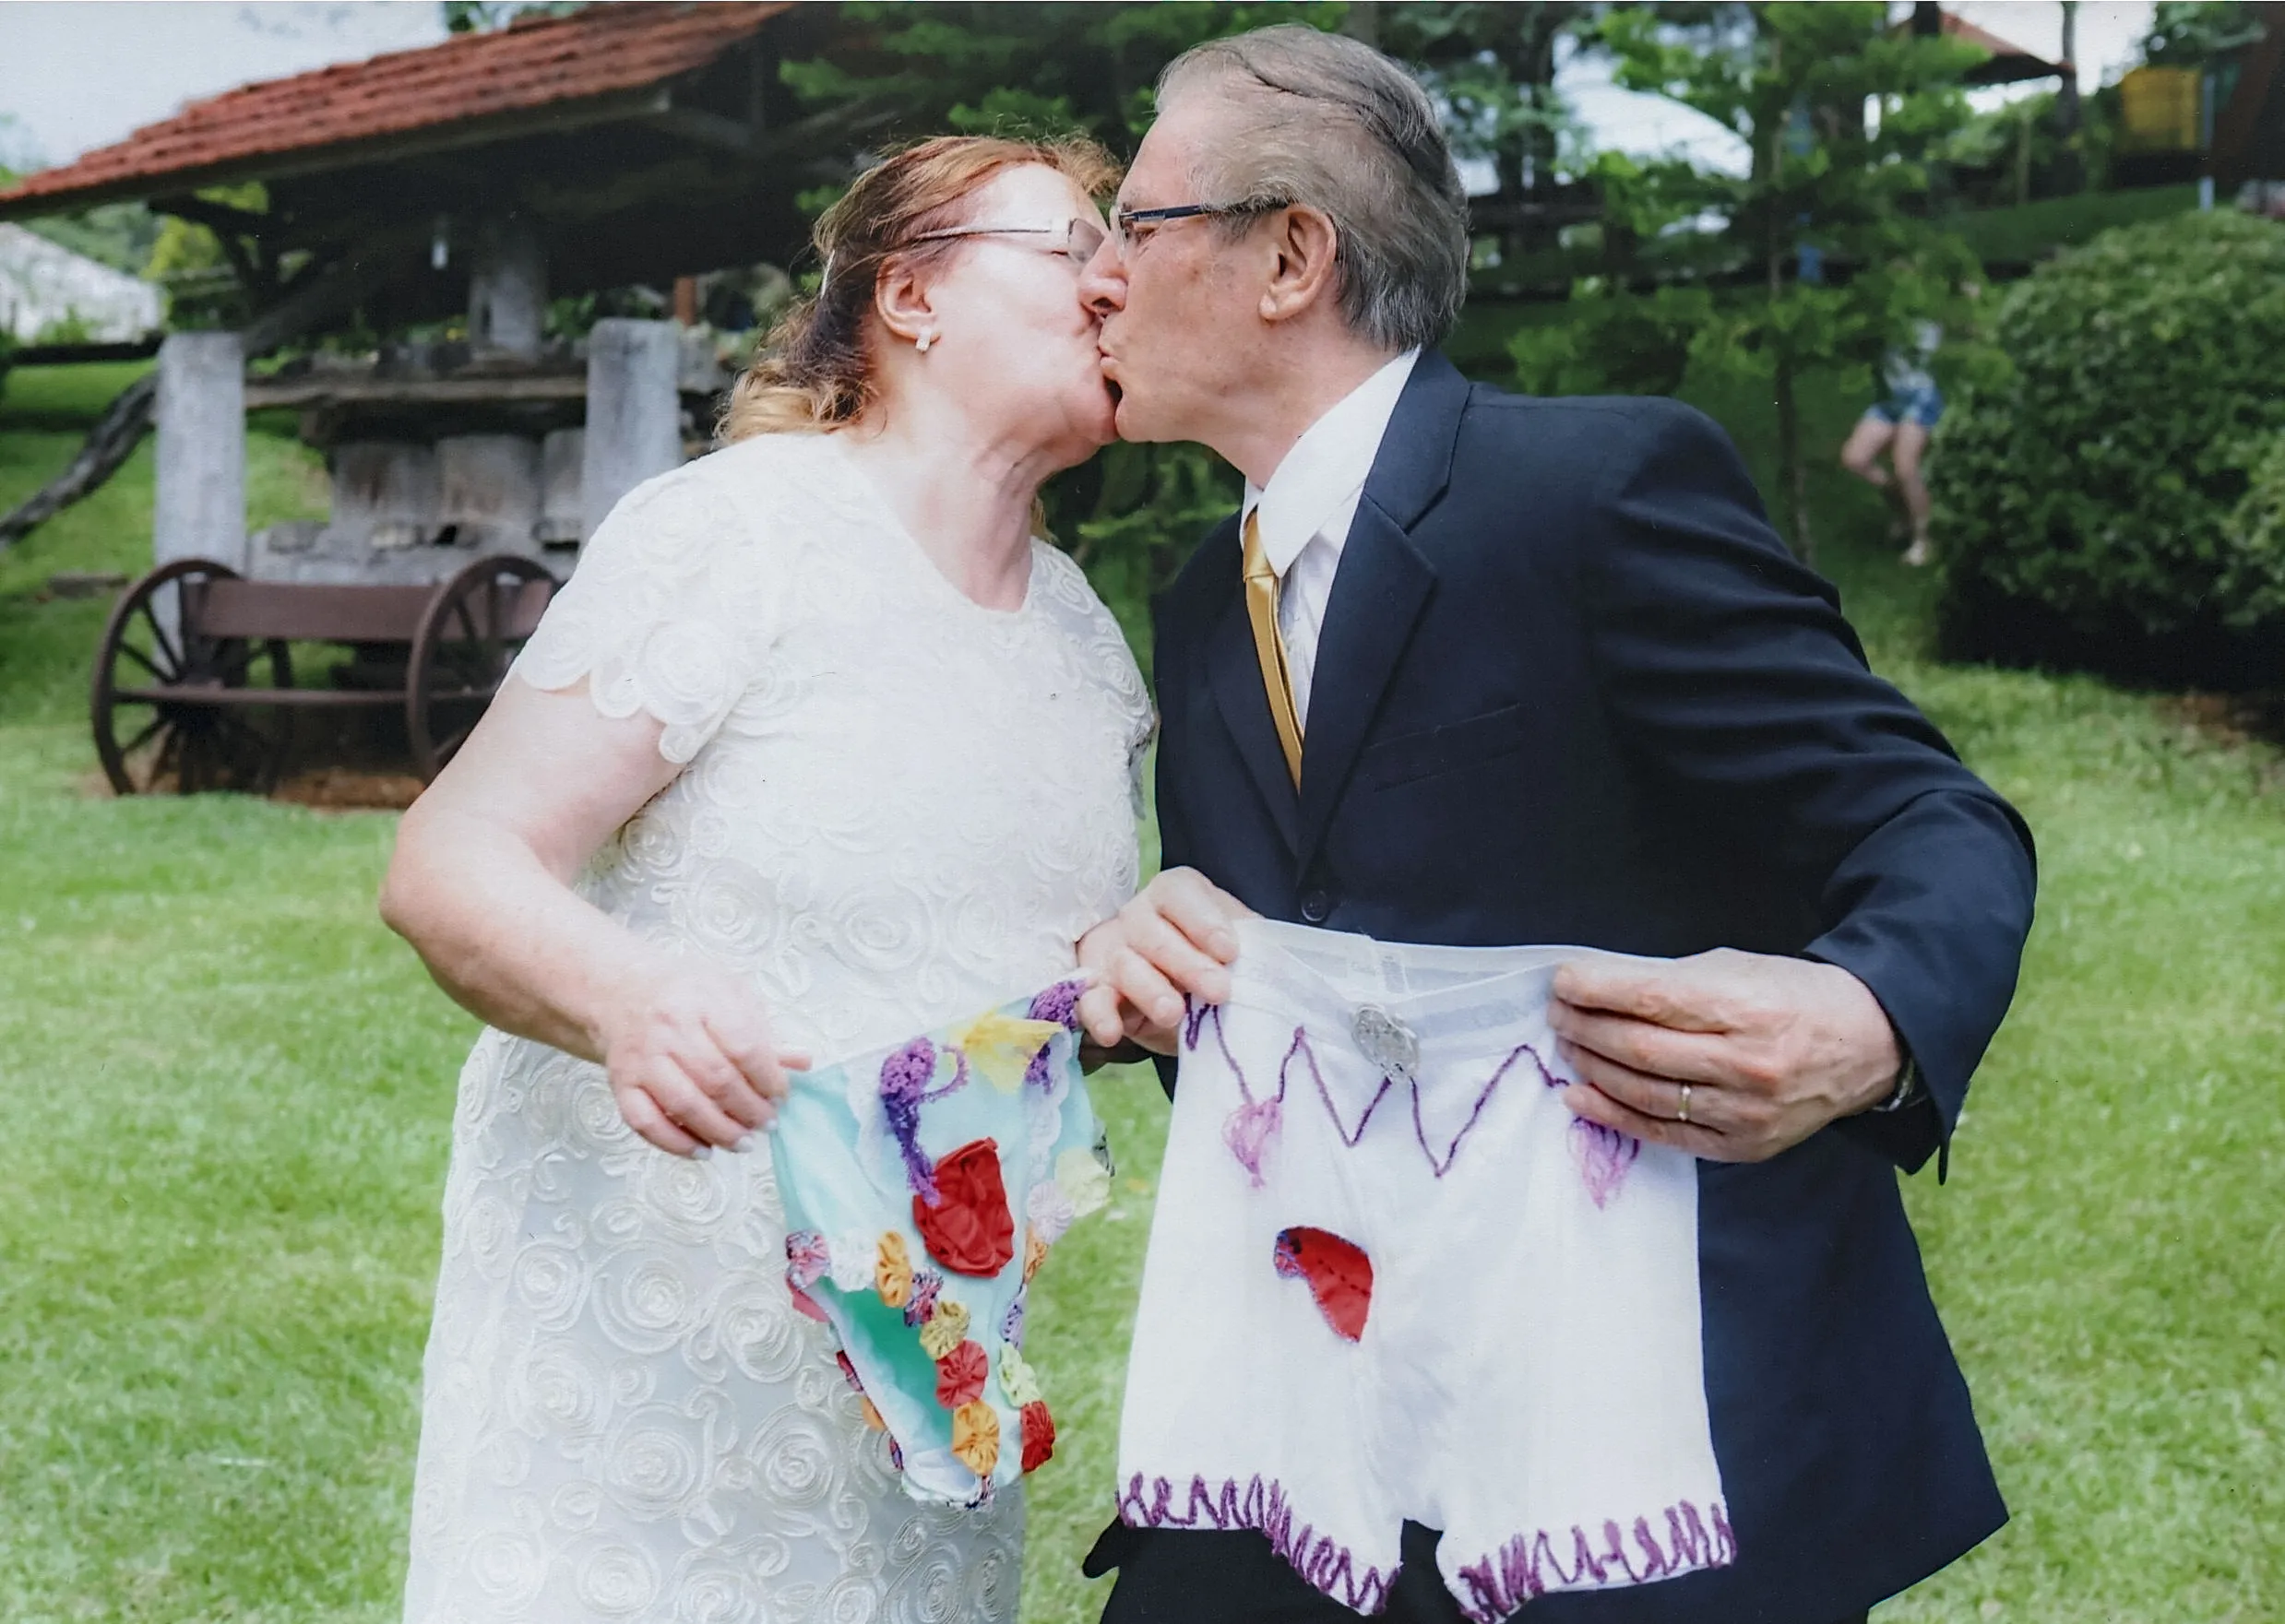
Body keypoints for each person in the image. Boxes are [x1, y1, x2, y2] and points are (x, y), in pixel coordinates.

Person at [1071, 25, 2035, 1624]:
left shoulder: (1594, 493)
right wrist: (1152, 975)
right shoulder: (1194, 605)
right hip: (1324, 1418)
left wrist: (1868, 1019)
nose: (1094, 275)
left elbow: (1927, 818)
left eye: (1135, 223)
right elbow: (1292, 1030)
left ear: (1288, 256)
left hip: (1635, 1435)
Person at [378, 135, 1153, 1623]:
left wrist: (1124, 993)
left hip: (905, 1436)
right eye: (1069, 246)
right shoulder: (734, 538)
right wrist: (622, 998)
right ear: (912, 294)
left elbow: (1013, 1007)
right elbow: (448, 858)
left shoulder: (1089, 652)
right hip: (633, 1428)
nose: (1114, 282)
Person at [1839, 319, 1945, 565]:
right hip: (1890, 399)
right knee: (1855, 458)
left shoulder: (1932, 301)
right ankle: (1906, 509)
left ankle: (1924, 539)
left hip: (1922, 397)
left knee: (1905, 465)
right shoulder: (1885, 304)